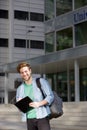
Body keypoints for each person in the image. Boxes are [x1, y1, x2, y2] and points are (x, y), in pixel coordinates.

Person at [16, 62, 54, 130]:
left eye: (26, 71)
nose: (24, 74)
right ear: (20, 74)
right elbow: (20, 109)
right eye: (22, 72)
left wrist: (39, 103)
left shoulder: (41, 81)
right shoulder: (19, 89)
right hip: (29, 119)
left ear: (30, 71)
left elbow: (50, 96)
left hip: (42, 117)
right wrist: (20, 105)